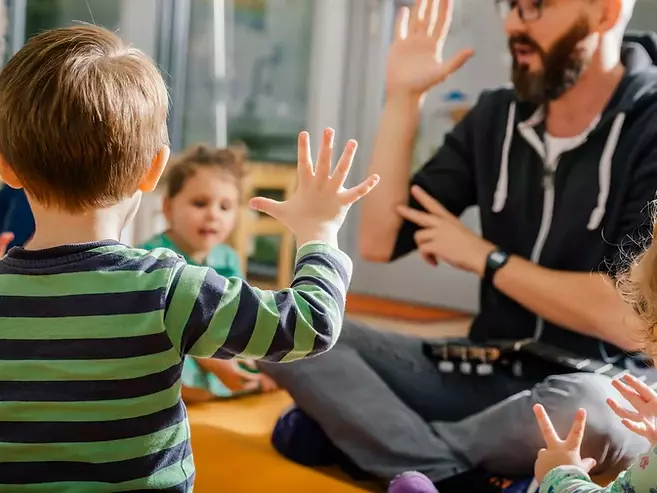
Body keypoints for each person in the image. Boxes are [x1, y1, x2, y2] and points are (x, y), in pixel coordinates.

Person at [260, 0, 657, 491]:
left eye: (535, 7)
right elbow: (380, 240)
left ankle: (368, 441)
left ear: (605, 11)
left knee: (589, 412)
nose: (514, 23)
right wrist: (404, 97)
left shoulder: (652, 124)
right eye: (509, 7)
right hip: (483, 368)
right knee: (285, 328)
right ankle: (456, 476)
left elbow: (632, 319)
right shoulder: (496, 116)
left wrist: (485, 258)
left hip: (599, 385)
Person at [0, 24, 379, 491]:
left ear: (6, 167)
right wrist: (319, 233)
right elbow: (309, 324)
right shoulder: (168, 288)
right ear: (154, 170)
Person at [139, 143, 278, 401]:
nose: (213, 214)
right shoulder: (154, 257)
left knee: (268, 350)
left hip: (217, 348)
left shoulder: (227, 258)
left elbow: (237, 317)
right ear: (169, 208)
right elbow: (158, 326)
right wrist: (210, 361)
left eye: (225, 207)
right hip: (171, 348)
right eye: (200, 203)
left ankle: (238, 381)